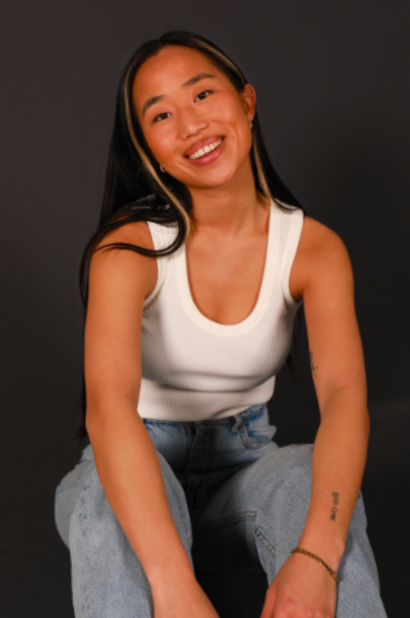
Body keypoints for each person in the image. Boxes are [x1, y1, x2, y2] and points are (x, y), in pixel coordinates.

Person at [54, 30, 388, 618]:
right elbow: (108, 409)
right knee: (107, 504)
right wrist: (174, 585)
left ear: (247, 102)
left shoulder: (313, 249)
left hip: (246, 466)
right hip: (132, 462)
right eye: (161, 115)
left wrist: (318, 554)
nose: (191, 125)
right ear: (149, 148)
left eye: (203, 94)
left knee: (312, 484)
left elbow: (344, 396)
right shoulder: (128, 250)